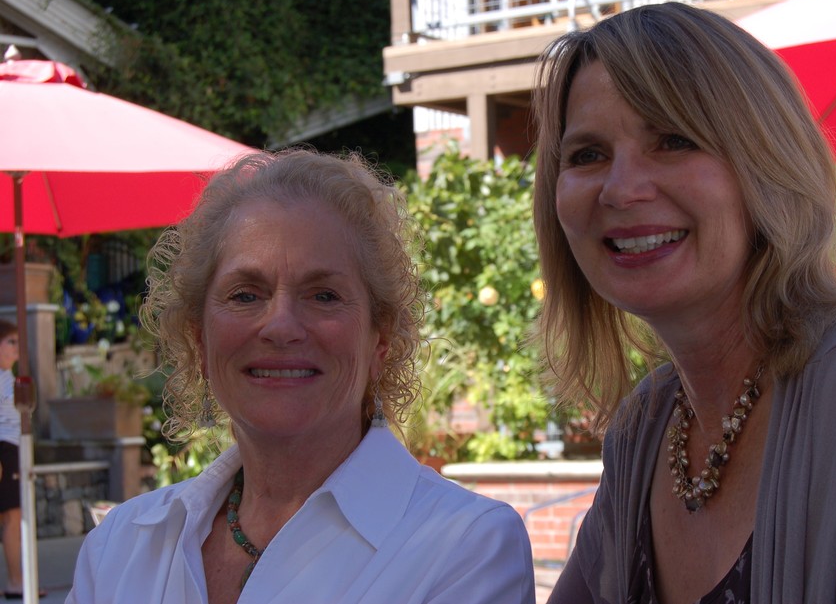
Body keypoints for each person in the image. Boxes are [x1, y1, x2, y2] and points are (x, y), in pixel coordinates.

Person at [531, 2, 836, 603]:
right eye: (587, 155)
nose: (621, 189)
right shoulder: (646, 426)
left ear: (767, 166)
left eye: (674, 140)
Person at [67, 149, 535, 604]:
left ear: (380, 341)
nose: (281, 326)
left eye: (324, 295)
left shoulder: (467, 548)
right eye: (245, 295)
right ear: (199, 340)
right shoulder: (120, 548)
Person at [0, 319, 44, 601]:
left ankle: (17, 580)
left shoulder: (7, 375)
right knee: (13, 518)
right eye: (10, 341)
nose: (17, 347)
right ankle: (16, 581)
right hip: (5, 449)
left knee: (14, 518)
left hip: (13, 448)